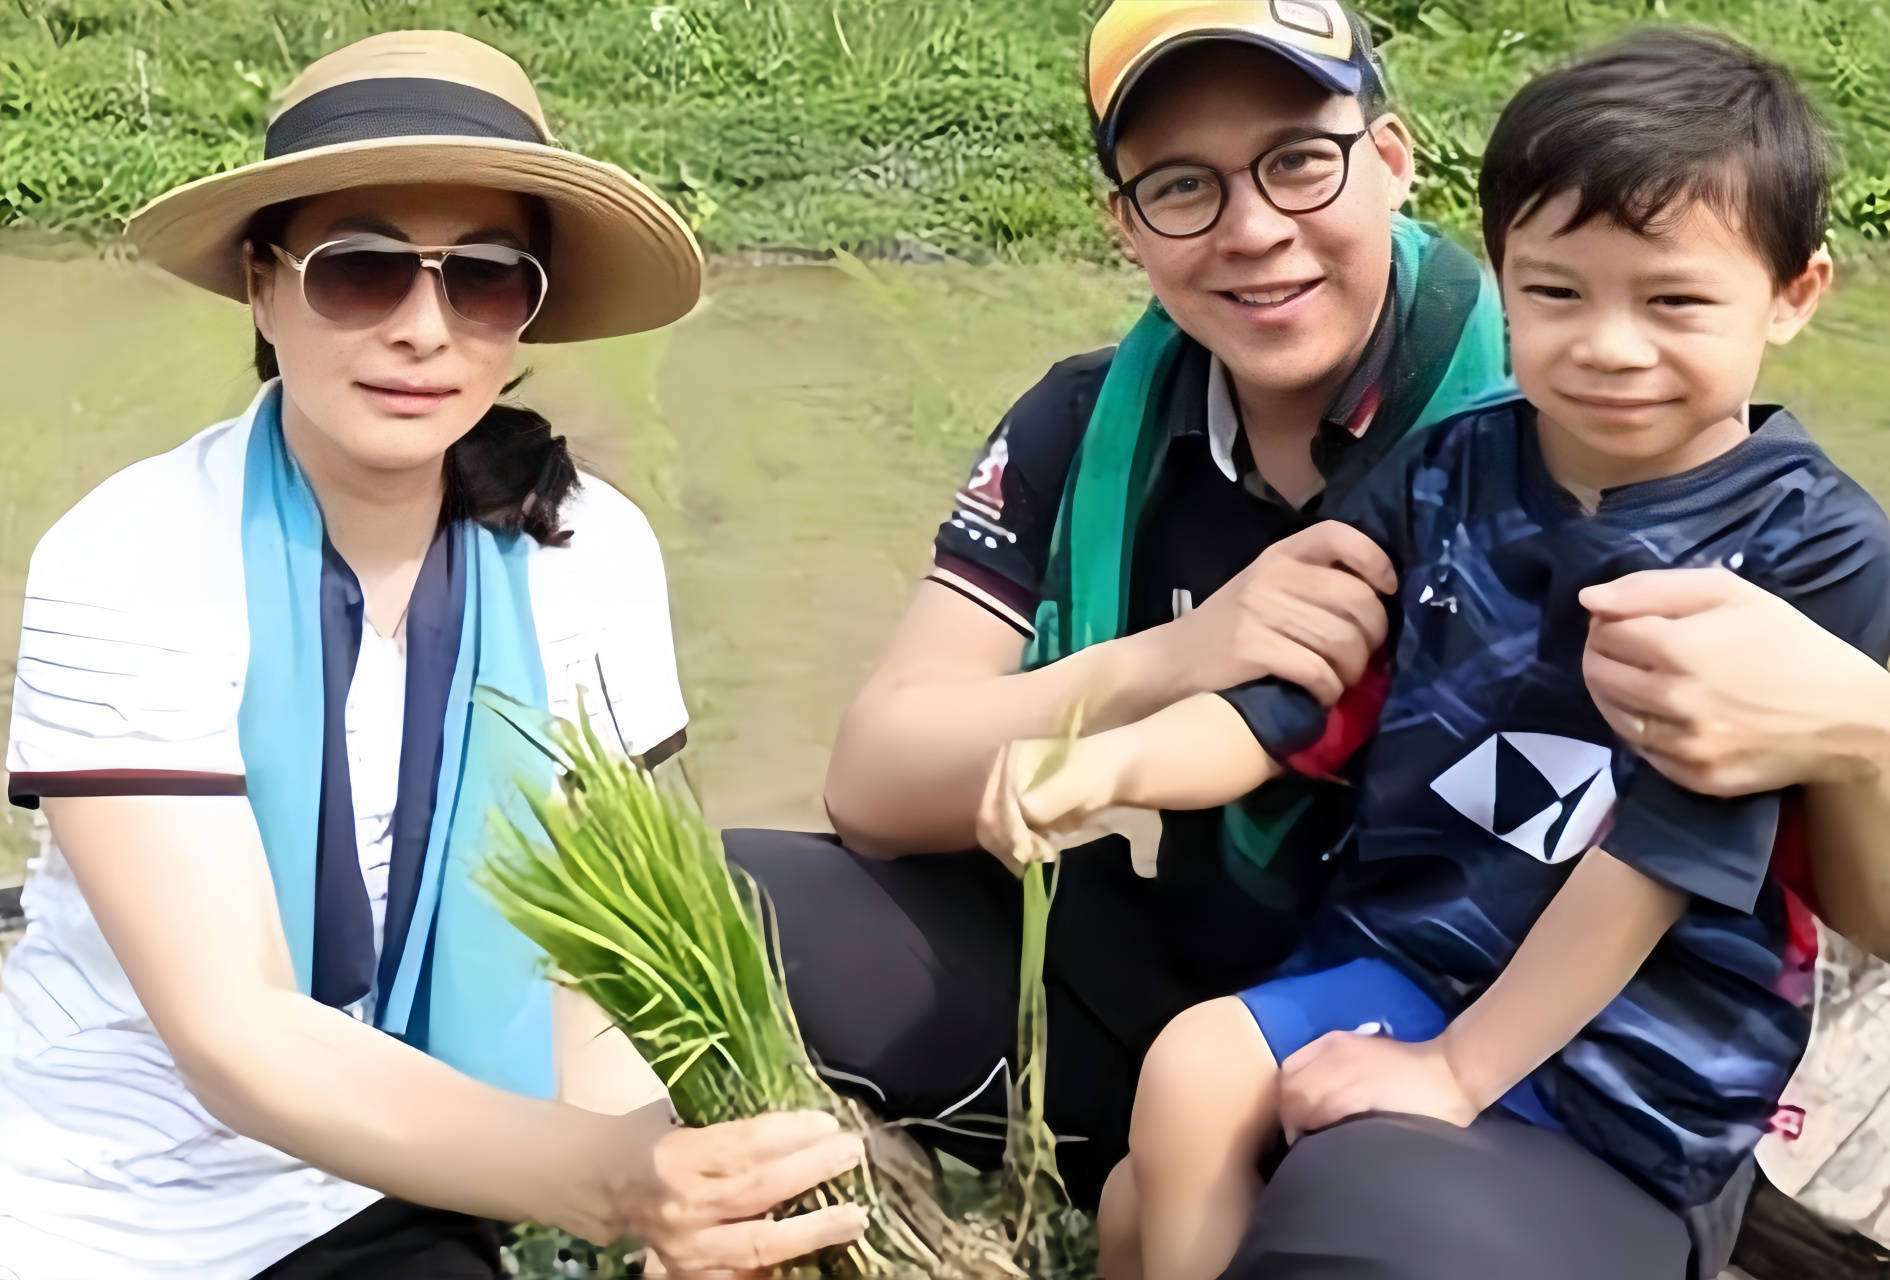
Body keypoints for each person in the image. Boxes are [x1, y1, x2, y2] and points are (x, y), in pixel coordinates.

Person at [726, 4, 1890, 1277]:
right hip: (1360, 959)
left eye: (1297, 159)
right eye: (1184, 185)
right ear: (1122, 222)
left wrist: (1458, 1067)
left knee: (1340, 1202)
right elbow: (1266, 713)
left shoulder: (1781, 541)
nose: (1252, 228)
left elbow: (1686, 860)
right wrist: (1126, 719)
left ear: (1392, 161)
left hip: (1613, 1038)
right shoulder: (1431, 467)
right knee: (1155, 1139)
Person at [0, 31, 866, 1279]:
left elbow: (586, 956)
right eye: (360, 270)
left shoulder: (587, 554)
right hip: (111, 1206)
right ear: (262, 286)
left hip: (429, 1173)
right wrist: (617, 1183)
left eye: (483, 280)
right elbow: (236, 1034)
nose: (424, 329)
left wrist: (679, 1181)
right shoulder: (134, 556)